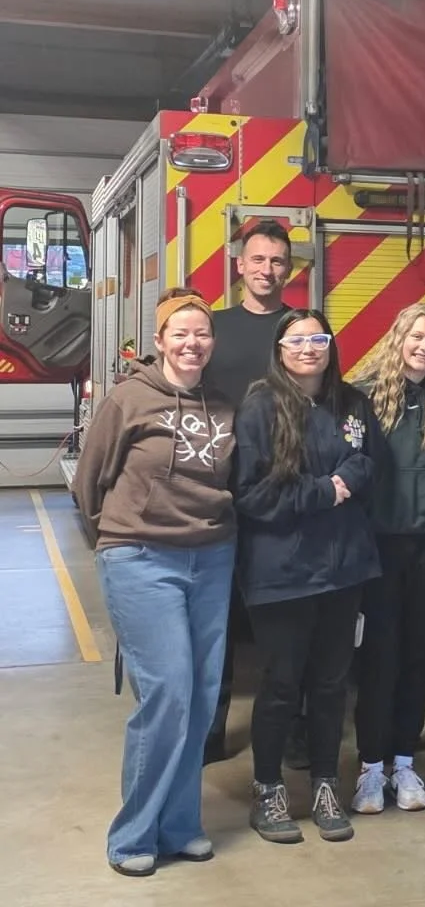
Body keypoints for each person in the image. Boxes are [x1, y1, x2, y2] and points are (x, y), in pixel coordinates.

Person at [73, 288, 236, 876]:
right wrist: (120, 540)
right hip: (142, 559)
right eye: (180, 333)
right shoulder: (129, 398)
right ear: (161, 340)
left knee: (200, 696)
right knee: (167, 691)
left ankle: (180, 825)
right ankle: (133, 834)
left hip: (213, 558)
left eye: (202, 334)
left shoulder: (222, 404)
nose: (192, 343)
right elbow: (89, 481)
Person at [234, 309, 383, 845]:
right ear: (279, 350)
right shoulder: (260, 408)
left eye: (318, 338)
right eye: (296, 340)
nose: (308, 348)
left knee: (329, 686)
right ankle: (268, 789)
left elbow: (368, 462)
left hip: (345, 570)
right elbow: (252, 493)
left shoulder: (352, 403)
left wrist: (344, 479)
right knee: (280, 686)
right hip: (283, 573)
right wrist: (326, 491)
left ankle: (325, 784)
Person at [349, 304, 425, 816]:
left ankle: (405, 763)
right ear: (399, 337)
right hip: (379, 550)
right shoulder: (365, 396)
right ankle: (370, 768)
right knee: (378, 660)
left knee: (418, 658)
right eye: (417, 337)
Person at [203, 219, 294, 766]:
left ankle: (294, 727)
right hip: (218, 495)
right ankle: (212, 727)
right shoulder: (214, 327)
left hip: (282, 496)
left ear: (290, 268)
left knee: (285, 623)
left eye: (277, 261)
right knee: (219, 619)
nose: (267, 270)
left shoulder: (300, 327)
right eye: (258, 260)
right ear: (240, 265)